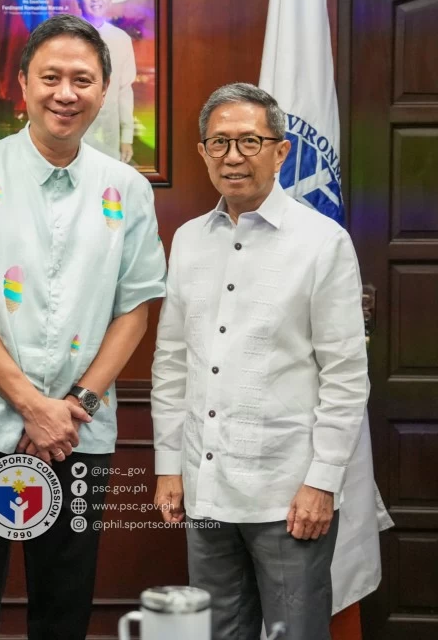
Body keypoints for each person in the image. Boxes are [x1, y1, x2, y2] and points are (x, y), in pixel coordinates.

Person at [0, 14, 166, 640]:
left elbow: (136, 307)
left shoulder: (127, 190)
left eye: (83, 79)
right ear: (22, 83)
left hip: (78, 433)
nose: (66, 92)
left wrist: (73, 405)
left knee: (66, 592)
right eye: (50, 76)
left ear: (105, 91)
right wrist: (31, 405)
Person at [150, 83, 370, 640]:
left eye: (250, 141)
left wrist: (322, 481)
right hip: (206, 485)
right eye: (219, 142)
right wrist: (169, 467)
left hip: (287, 491)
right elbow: (172, 362)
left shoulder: (323, 243)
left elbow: (345, 376)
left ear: (281, 151)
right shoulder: (187, 240)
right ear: (202, 152)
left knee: (293, 631)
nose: (232, 156)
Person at [75, 0, 137, 164]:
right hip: (72, 131)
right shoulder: (66, 36)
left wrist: (127, 138)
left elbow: (125, 91)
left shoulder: (121, 39)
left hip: (108, 132)